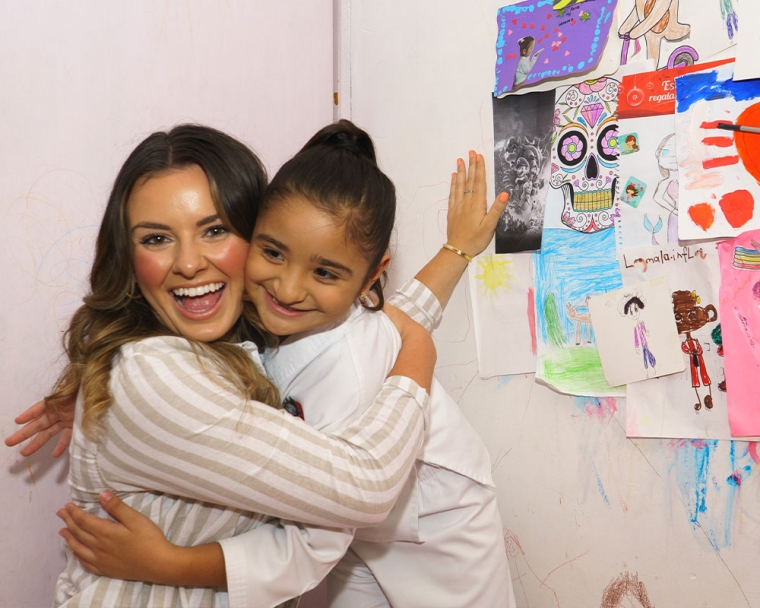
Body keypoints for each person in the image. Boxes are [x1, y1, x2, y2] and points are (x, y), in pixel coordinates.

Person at [8, 124, 511, 606]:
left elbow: (368, 322)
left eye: (214, 230)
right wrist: (419, 352)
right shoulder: (155, 376)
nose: (188, 263)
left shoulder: (250, 326)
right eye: (156, 238)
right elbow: (365, 484)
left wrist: (456, 252)